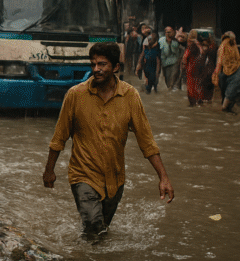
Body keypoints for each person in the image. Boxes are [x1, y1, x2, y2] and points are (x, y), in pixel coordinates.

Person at [42, 42, 174, 239]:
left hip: (115, 179)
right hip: (82, 174)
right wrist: (49, 170)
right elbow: (59, 138)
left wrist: (163, 177)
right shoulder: (75, 95)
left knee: (99, 231)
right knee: (94, 224)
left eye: (102, 64)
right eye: (93, 64)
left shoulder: (130, 96)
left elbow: (146, 141)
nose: (96, 69)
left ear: (116, 67)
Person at [182, 32, 216, 106]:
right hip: (200, 70)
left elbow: (185, 58)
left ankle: (195, 103)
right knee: (198, 87)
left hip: (196, 70)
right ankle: (200, 103)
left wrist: (183, 67)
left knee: (194, 88)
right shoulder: (208, 46)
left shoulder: (194, 46)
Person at [214, 31, 240, 113]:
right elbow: (219, 62)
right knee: (225, 93)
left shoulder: (234, 48)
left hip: (235, 70)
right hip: (224, 71)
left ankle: (225, 108)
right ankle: (226, 109)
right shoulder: (223, 47)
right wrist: (216, 73)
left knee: (230, 92)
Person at [159, 26, 181, 90]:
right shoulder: (161, 40)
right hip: (165, 63)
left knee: (173, 80)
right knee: (167, 82)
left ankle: (174, 91)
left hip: (175, 63)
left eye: (170, 32)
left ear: (173, 32)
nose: (168, 33)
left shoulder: (178, 40)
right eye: (167, 32)